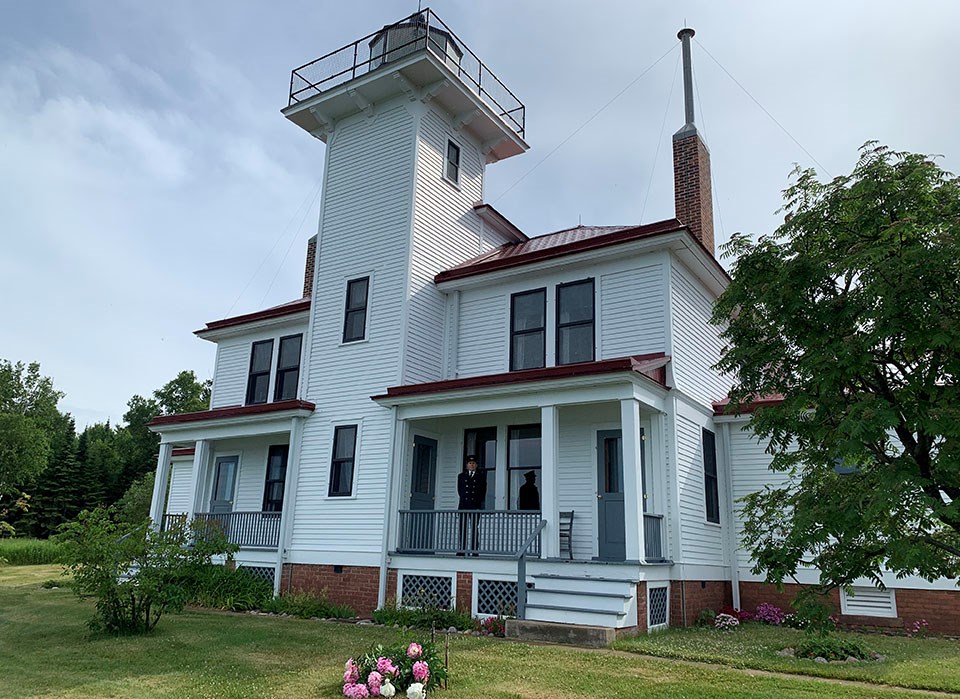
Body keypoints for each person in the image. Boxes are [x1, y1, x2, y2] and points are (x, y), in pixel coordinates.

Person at [457, 455, 486, 555]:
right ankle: (462, 549)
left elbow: (483, 492)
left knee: (474, 528)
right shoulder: (461, 476)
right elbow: (460, 491)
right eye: (470, 463)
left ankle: (474, 550)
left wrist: (478, 505)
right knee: (463, 528)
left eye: (473, 463)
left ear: (476, 465)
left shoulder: (481, 476)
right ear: (466, 465)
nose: (472, 465)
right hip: (464, 505)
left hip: (475, 506)